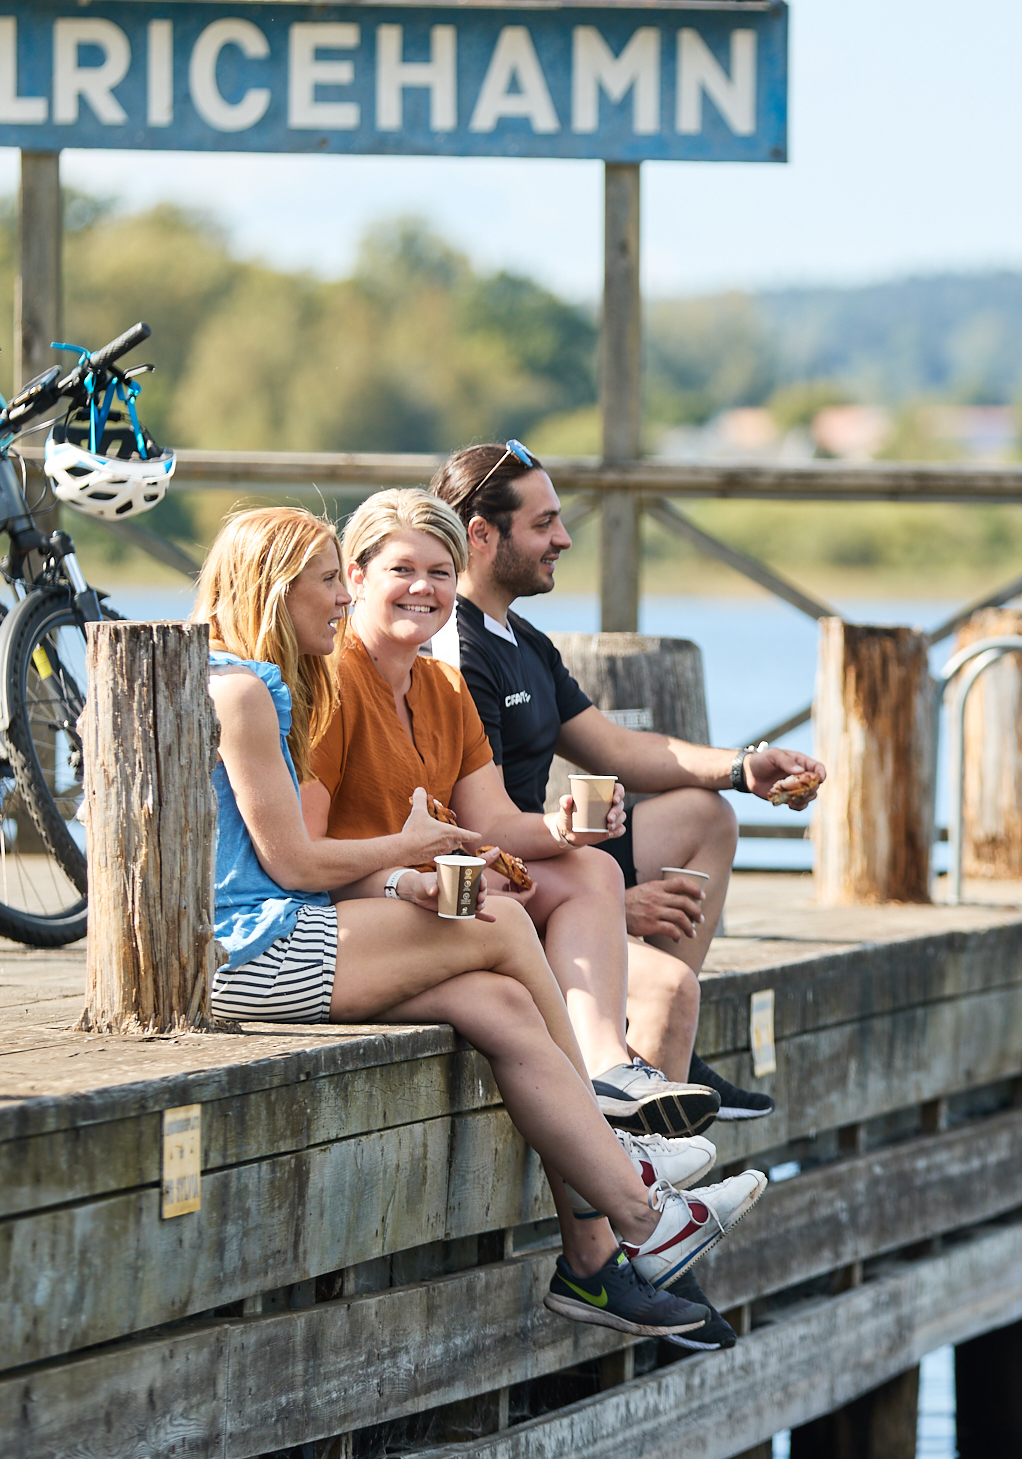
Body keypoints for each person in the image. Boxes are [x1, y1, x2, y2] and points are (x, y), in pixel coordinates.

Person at [197, 502, 764, 1342]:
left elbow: (470, 827)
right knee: (500, 925)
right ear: (284, 587)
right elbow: (294, 863)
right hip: (260, 945)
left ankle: (598, 1258)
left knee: (502, 998)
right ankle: (630, 1174)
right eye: (333, 581)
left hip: (305, 927)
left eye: (440, 571)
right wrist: (410, 853)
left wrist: (537, 835)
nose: (342, 600)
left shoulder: (319, 682)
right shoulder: (266, 687)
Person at [301, 486, 718, 1138]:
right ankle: (620, 1150)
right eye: (402, 570)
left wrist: (561, 827)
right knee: (542, 945)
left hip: (441, 897)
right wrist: (406, 875)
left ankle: (608, 1068)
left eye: (440, 572)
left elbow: (492, 823)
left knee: (592, 869)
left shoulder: (443, 685)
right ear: (356, 578)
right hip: (361, 908)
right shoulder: (330, 683)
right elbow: (301, 856)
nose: (423, 588)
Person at [431, 440, 826, 1110]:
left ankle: (663, 1054)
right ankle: (637, 1144)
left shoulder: (524, 640)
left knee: (706, 813)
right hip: (497, 882)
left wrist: (741, 768)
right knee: (671, 990)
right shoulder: (456, 652)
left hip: (552, 859)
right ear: (481, 534)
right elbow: (480, 831)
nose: (564, 538)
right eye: (544, 523)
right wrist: (610, 905)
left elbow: (615, 747)